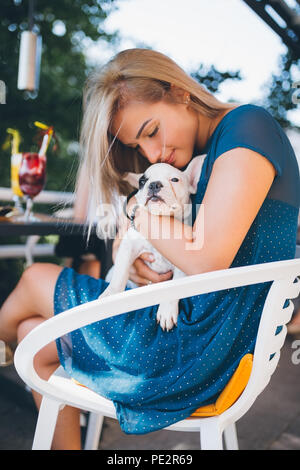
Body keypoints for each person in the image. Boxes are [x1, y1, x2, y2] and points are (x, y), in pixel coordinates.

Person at [0, 48, 299, 449]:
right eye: (140, 148)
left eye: (152, 130)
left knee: (36, 276)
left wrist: (136, 211)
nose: (153, 154)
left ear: (179, 93)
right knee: (33, 338)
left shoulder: (247, 126)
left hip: (199, 347)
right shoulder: (221, 148)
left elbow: (207, 259)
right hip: (201, 336)